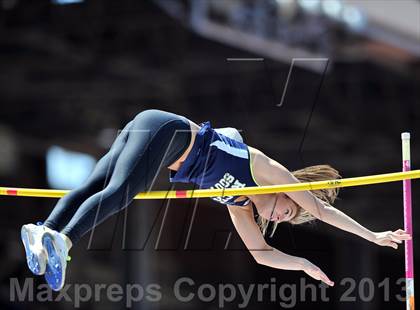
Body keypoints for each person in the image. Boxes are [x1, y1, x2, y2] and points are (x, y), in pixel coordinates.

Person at [21, 109, 411, 291]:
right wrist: (373, 236)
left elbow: (261, 253)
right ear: (285, 193)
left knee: (95, 183)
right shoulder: (267, 170)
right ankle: (65, 239)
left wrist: (303, 264)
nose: (280, 213)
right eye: (288, 208)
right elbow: (321, 209)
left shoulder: (241, 204)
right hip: (168, 131)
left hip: (154, 134)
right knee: (123, 191)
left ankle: (44, 231)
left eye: (284, 217)